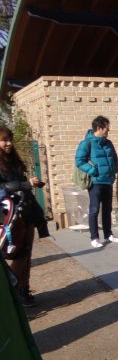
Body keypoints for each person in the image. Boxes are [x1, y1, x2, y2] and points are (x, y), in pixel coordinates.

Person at [0, 125, 50, 305]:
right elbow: (2, 189)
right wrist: (25, 185)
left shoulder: (13, 160)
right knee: (17, 255)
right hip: (9, 216)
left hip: (25, 212)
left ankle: (23, 289)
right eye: (4, 140)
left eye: (10, 139)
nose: (9, 143)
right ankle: (13, 293)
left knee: (26, 255)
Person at [75, 116, 118, 249]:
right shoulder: (86, 143)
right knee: (94, 209)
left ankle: (108, 235)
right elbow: (79, 161)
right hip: (95, 182)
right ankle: (94, 238)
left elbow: (114, 158)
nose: (109, 130)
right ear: (99, 128)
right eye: (107, 127)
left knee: (107, 209)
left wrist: (114, 171)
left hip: (108, 181)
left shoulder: (108, 143)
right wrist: (93, 171)